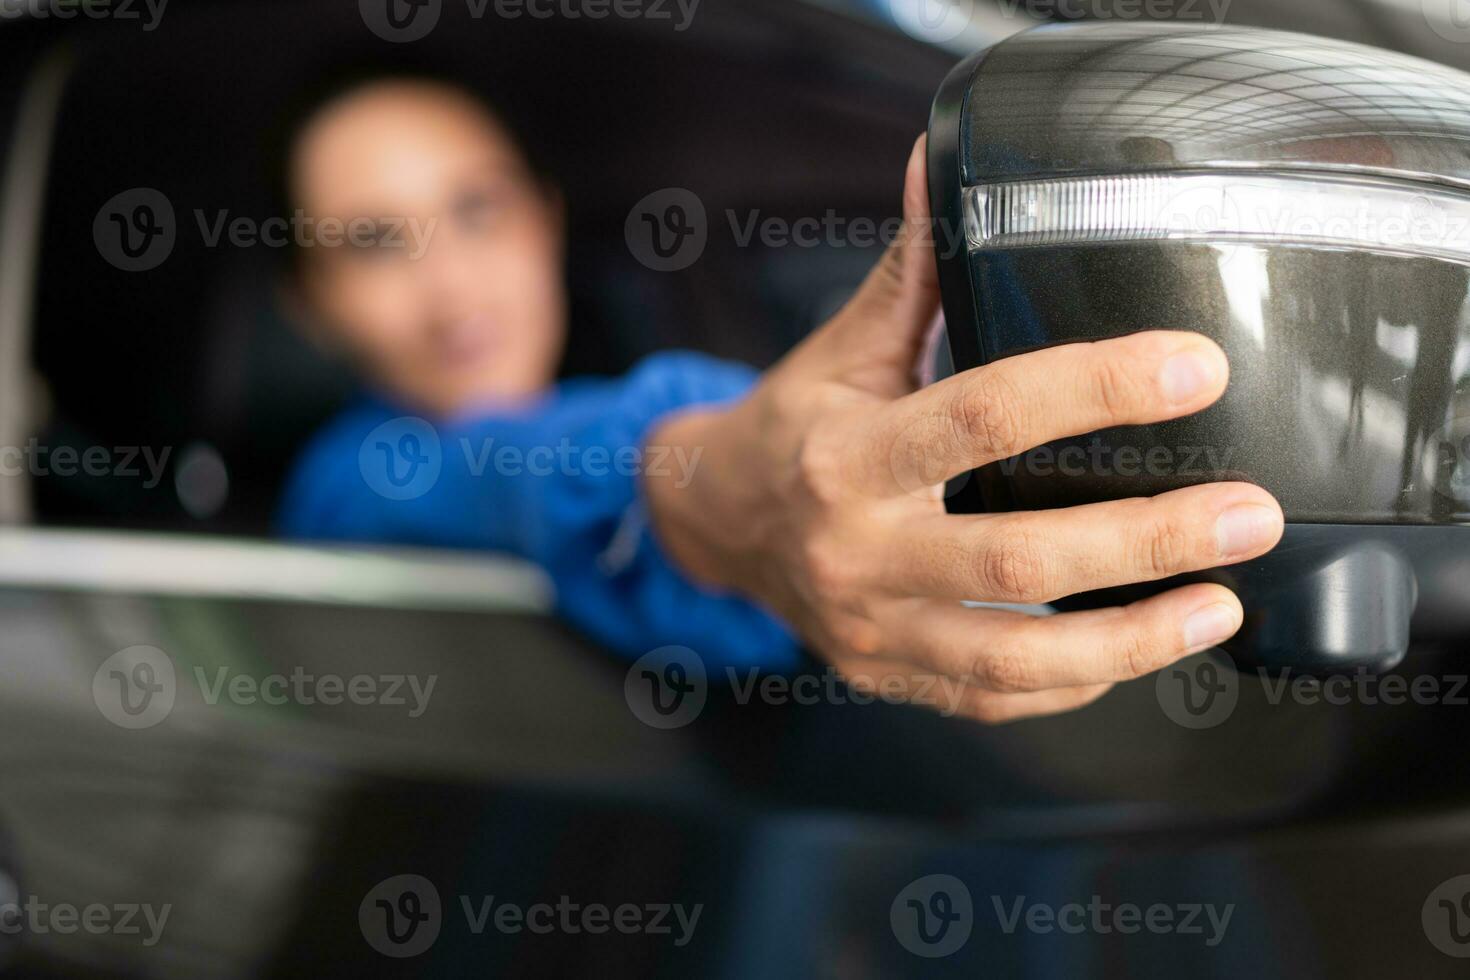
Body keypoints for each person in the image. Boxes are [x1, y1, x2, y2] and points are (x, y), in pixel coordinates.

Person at [277, 74, 1285, 723]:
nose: (450, 284)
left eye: (475, 209)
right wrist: (712, 479)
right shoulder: (344, 483)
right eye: (372, 242)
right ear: (310, 307)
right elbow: (498, 473)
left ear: (542, 219)